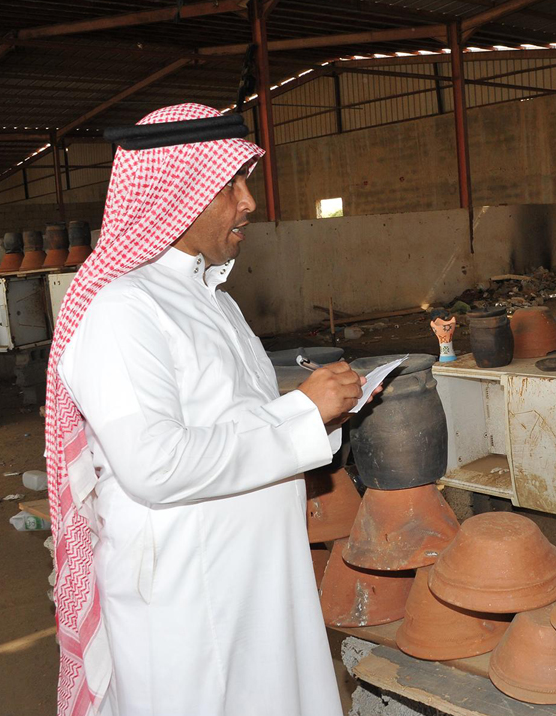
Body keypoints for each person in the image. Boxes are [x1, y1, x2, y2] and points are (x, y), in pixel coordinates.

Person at [46, 103, 369, 716]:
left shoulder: (213, 300)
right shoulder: (124, 310)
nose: (248, 202)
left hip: (253, 578)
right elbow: (156, 464)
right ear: (177, 192)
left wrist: (318, 414)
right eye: (230, 185)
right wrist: (299, 415)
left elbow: (234, 419)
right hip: (189, 596)